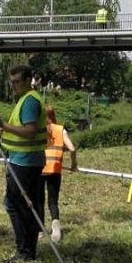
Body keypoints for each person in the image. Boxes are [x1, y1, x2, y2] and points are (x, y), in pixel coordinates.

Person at [0, 64, 47, 263]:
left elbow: (30, 131)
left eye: (16, 82)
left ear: (27, 81)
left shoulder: (30, 101)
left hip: (25, 161)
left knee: (17, 206)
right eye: (11, 82)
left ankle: (24, 252)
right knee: (22, 205)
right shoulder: (27, 99)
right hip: (24, 159)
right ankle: (27, 251)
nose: (13, 86)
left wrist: (4, 126)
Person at [40, 104, 78, 243]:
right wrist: (74, 164)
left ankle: (39, 229)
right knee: (53, 201)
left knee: (38, 200)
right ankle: (56, 228)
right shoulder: (61, 130)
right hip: (55, 169)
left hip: (39, 168)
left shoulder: (39, 130)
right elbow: (72, 149)